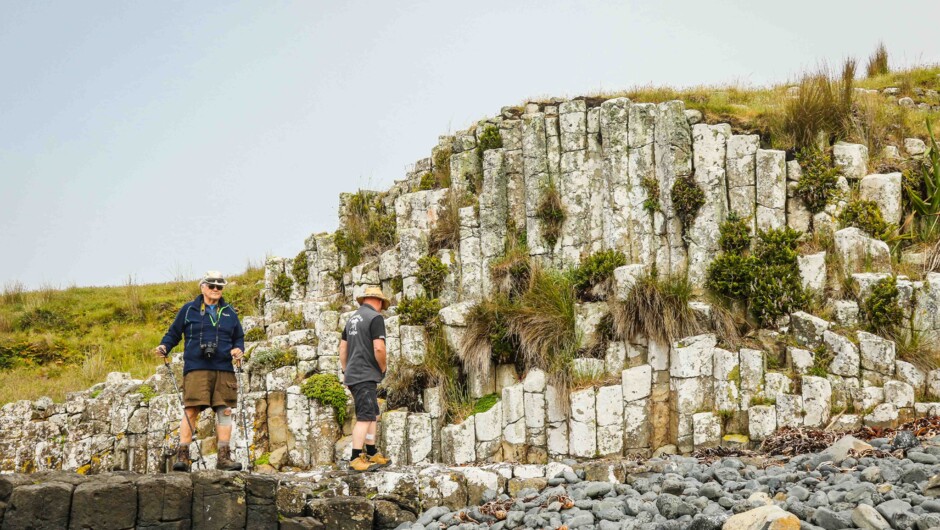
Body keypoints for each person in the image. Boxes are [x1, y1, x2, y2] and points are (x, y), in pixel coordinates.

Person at [155, 271, 245, 472]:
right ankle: (183, 458)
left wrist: (239, 349)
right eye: (211, 285)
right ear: (202, 287)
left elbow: (239, 337)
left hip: (224, 368)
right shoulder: (189, 310)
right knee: (191, 409)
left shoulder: (230, 312)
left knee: (225, 411)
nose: (215, 289)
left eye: (219, 286)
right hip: (196, 367)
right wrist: (164, 347)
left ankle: (224, 459)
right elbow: (174, 333)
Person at [340, 286, 392, 472]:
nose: (381, 309)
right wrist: (383, 367)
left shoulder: (351, 319)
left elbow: (343, 348)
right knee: (364, 417)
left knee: (373, 413)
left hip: (355, 373)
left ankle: (371, 451)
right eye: (382, 305)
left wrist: (347, 371)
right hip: (365, 373)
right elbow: (379, 348)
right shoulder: (375, 318)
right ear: (377, 301)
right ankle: (355, 458)